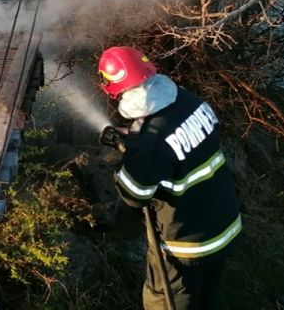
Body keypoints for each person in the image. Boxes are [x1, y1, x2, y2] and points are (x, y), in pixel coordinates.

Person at [98, 46, 241, 310]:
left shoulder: (149, 142)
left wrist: (128, 158)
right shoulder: (191, 102)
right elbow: (178, 148)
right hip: (224, 225)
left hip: (187, 245)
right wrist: (134, 140)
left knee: (166, 301)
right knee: (206, 300)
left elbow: (135, 194)